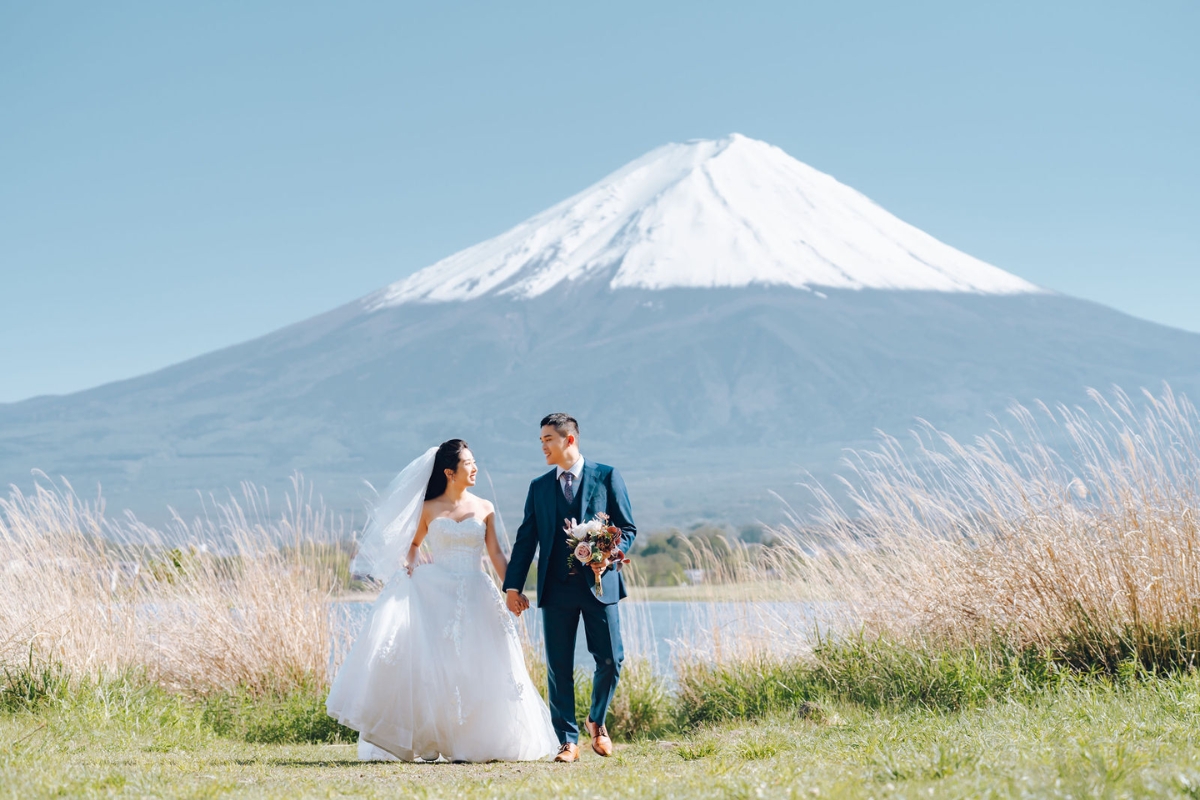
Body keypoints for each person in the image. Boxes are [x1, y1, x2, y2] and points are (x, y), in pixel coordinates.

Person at [326, 439, 558, 762]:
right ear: (450, 472)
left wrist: (513, 588)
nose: (475, 468)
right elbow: (413, 545)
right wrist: (412, 565)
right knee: (441, 666)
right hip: (437, 594)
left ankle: (473, 742)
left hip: (477, 593)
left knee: (481, 664)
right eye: (469, 463)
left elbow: (496, 554)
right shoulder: (429, 508)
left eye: (475, 462)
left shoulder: (485, 507)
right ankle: (440, 739)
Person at [503, 413, 637, 763]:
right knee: (558, 666)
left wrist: (609, 557)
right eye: (541, 440)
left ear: (570, 440)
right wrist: (512, 586)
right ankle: (567, 740)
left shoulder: (607, 476)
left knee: (611, 659)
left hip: (600, 586)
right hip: (556, 588)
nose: (543, 446)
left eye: (549, 439)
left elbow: (628, 528)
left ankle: (597, 719)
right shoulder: (539, 487)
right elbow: (525, 540)